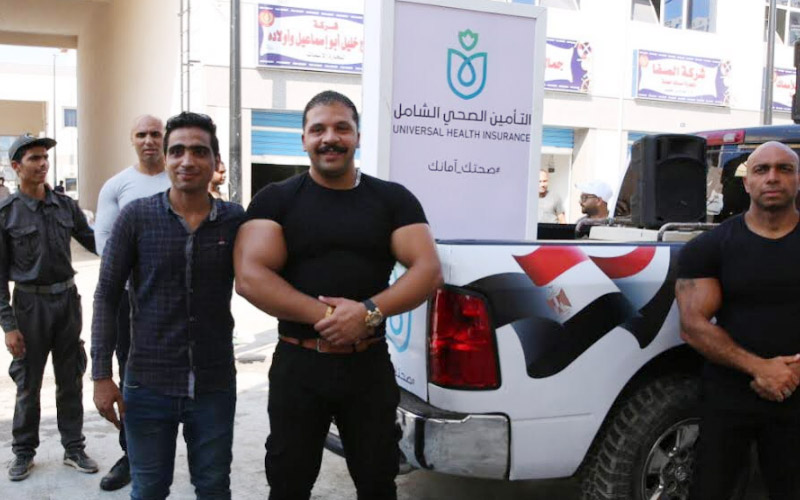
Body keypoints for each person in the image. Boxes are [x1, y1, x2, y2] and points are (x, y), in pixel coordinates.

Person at [235, 90, 442, 500]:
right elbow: (250, 277)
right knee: (288, 483)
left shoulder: (392, 199)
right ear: (304, 140)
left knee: (378, 481)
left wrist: (367, 313)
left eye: (342, 128)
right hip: (299, 366)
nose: (330, 138)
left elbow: (428, 270)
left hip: (368, 366)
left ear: (357, 136)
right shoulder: (276, 199)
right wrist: (330, 317)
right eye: (318, 129)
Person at [91, 112, 243, 499]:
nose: (187, 160)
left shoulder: (234, 221)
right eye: (177, 151)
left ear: (215, 161)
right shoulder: (137, 217)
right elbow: (106, 294)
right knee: (149, 489)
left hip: (213, 384)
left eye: (199, 151)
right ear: (166, 157)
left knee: (213, 486)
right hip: (148, 383)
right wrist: (101, 375)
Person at [675, 141, 800, 499]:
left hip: (797, 390)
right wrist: (761, 369)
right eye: (761, 170)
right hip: (730, 393)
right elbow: (693, 325)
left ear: (798, 179)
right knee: (712, 489)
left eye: (784, 169)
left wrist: (790, 373)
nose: (772, 177)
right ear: (747, 183)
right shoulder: (709, 247)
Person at [1, 134, 98, 481]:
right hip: (29, 306)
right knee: (28, 382)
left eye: (45, 157)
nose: (43, 164)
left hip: (67, 302)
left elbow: (95, 242)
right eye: (34, 158)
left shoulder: (66, 206)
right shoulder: (7, 214)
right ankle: (23, 452)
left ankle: (74, 448)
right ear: (16, 166)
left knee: (71, 378)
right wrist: (9, 326)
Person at [92, 114, 170, 491]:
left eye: (155, 133)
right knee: (131, 373)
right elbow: (104, 245)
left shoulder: (181, 178)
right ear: (132, 140)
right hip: (130, 300)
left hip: (177, 299)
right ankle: (132, 453)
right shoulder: (117, 185)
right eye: (142, 134)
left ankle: (184, 448)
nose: (149, 140)